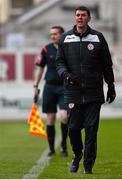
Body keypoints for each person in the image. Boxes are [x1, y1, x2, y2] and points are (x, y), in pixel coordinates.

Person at [56, 6, 116, 174]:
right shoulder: (65, 38)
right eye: (77, 15)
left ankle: (88, 167)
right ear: (75, 18)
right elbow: (59, 62)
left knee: (91, 129)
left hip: (93, 92)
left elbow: (107, 64)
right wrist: (66, 75)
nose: (80, 18)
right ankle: (77, 155)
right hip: (72, 92)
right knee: (73, 129)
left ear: (89, 18)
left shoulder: (98, 37)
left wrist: (110, 86)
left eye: (83, 15)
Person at [33, 26, 68, 157]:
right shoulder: (46, 49)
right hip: (50, 87)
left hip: (65, 88)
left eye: (55, 34)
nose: (53, 36)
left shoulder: (68, 48)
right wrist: (36, 86)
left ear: (62, 35)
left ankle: (64, 145)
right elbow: (40, 69)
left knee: (65, 116)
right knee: (50, 119)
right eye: (51, 34)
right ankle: (51, 149)